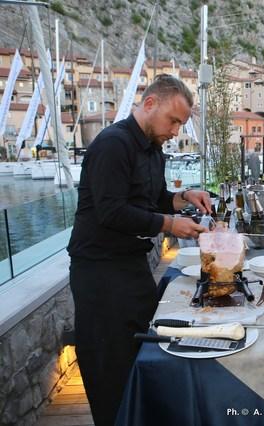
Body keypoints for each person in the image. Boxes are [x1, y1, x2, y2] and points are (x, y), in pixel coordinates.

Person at [67, 74, 211, 425]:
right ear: (149, 104)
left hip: (131, 264)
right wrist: (169, 225)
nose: (175, 131)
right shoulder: (112, 144)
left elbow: (154, 199)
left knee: (142, 352)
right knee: (109, 366)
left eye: (180, 124)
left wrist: (183, 197)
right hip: (99, 272)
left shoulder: (153, 150)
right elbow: (112, 211)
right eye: (173, 121)